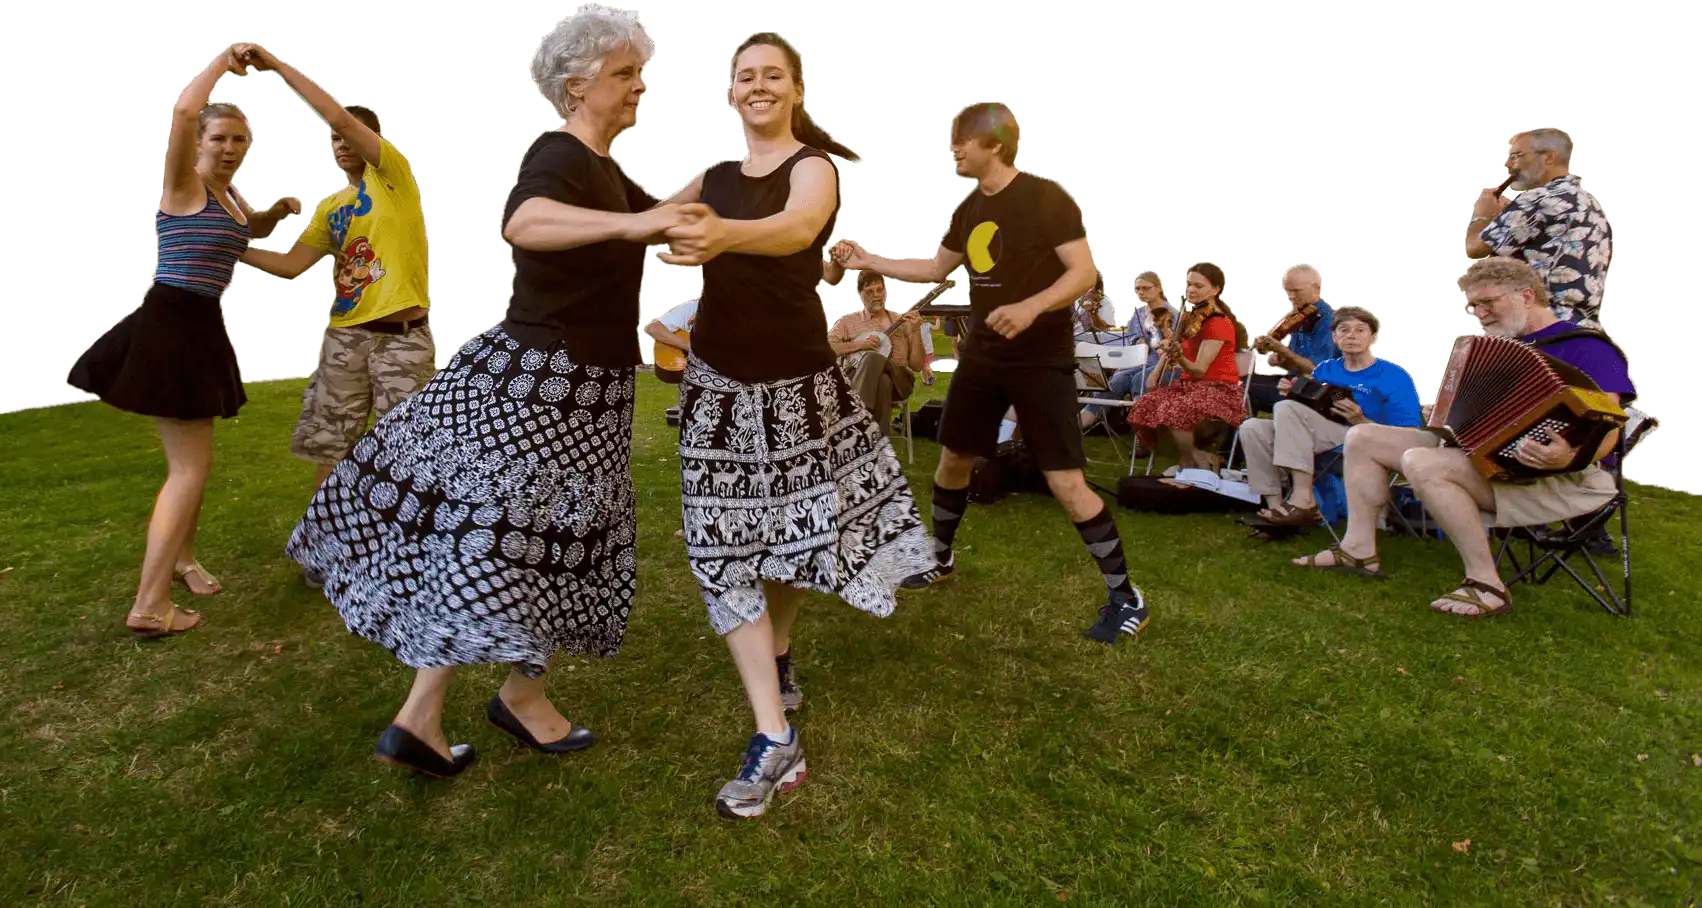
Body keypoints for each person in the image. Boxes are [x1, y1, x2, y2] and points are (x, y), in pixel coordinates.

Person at [286, 7, 695, 778]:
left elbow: (670, 222)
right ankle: (509, 701)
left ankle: (430, 714)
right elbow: (528, 222)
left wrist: (737, 186)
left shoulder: (608, 173)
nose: (639, 86)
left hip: (580, 387)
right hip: (551, 384)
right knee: (529, 544)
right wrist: (631, 227)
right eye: (623, 74)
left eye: (640, 73)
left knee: (518, 540)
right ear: (577, 85)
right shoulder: (561, 156)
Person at [652, 32, 934, 819]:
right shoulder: (710, 177)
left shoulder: (812, 169)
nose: (758, 87)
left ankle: (777, 651)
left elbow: (795, 227)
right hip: (717, 388)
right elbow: (651, 223)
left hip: (795, 388)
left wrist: (716, 233)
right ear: (730, 93)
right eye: (746, 78)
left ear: (796, 89)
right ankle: (775, 737)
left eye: (772, 75)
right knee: (721, 549)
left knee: (792, 542)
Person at [832, 101, 1149, 646]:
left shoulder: (1047, 197)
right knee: (954, 456)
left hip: (1040, 358)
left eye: (961, 141)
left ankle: (1125, 596)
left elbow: (1083, 272)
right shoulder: (970, 208)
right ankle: (940, 557)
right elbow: (936, 268)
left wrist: (1030, 308)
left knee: (1065, 481)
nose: (953, 150)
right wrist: (870, 261)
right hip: (983, 353)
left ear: (995, 145)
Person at [67, 45, 300, 638]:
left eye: (238, 140)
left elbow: (249, 242)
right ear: (198, 145)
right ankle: (149, 605)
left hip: (197, 325)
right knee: (188, 469)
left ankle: (184, 561)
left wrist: (281, 215)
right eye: (218, 137)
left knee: (195, 463)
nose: (228, 148)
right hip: (171, 325)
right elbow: (180, 114)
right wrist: (223, 60)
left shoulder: (229, 199)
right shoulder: (184, 185)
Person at [1293, 257, 1635, 618]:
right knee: (1363, 436)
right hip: (1483, 457)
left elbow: (1610, 428)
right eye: (1474, 305)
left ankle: (1487, 584)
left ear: (1526, 295)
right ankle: (1359, 549)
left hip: (1564, 475)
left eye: (1488, 302)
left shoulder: (1590, 347)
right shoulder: (1494, 345)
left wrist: (1568, 456)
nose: (1481, 313)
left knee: (1421, 461)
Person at [228, 44, 437, 590]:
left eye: (348, 135)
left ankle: (406, 556)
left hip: (402, 340)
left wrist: (275, 66)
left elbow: (338, 114)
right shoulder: (332, 207)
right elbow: (294, 264)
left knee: (406, 451)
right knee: (332, 444)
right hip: (347, 338)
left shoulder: (394, 178)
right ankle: (329, 549)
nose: (340, 141)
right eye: (335, 138)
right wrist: (231, 246)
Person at [1236, 306, 1421, 525]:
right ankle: (1276, 507)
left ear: (1372, 337)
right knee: (1253, 427)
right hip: (1318, 437)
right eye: (1344, 330)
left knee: (1287, 409)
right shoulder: (1325, 369)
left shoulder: (1393, 377)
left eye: (1360, 330)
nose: (1351, 335)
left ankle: (1303, 499)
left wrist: (1361, 421)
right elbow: (1308, 411)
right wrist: (1293, 392)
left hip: (1363, 440)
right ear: (1334, 337)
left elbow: (1410, 434)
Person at [1466, 128, 1611, 325]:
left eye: (1517, 156)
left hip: (1539, 325)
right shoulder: (1590, 204)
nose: (1510, 164)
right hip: (1580, 326)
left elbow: (1474, 248)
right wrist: (1506, 218)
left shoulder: (1537, 199)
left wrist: (1482, 215)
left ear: (1549, 157)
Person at [1123, 262, 1251, 471]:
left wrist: (1178, 356)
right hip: (1189, 386)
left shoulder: (1218, 322)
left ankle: (1187, 461)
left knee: (1176, 411)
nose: (1191, 290)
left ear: (1216, 289)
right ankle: (1198, 455)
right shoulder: (1191, 317)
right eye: (1189, 284)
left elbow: (1199, 370)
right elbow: (1175, 344)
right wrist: (1156, 372)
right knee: (1141, 408)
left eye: (1198, 286)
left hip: (1217, 389)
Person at [828, 271, 925, 435]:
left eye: (880, 290)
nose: (876, 295)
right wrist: (860, 345)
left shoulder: (902, 322)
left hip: (900, 381)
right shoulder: (848, 322)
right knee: (882, 381)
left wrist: (915, 332)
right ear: (860, 295)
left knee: (873, 358)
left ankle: (855, 417)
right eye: (869, 292)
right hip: (858, 378)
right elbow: (828, 348)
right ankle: (877, 442)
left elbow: (917, 365)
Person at [1080, 269, 1168, 432]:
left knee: (1138, 380)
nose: (1141, 292)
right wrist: (1138, 340)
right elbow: (1132, 337)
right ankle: (1073, 427)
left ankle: (1143, 435)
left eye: (1145, 288)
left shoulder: (1171, 313)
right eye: (1138, 289)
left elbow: (1171, 348)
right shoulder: (1139, 314)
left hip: (1158, 365)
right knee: (1113, 383)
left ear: (1157, 288)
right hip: (1135, 363)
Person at [1248, 264, 1338, 414]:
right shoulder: (1301, 316)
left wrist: (1282, 349)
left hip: (1316, 390)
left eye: (1296, 291)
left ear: (1316, 288)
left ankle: (1246, 434)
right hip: (1295, 381)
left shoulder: (1326, 320)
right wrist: (1280, 356)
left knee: (1247, 390)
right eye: (1287, 291)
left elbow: (1315, 369)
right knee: (1242, 381)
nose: (1290, 296)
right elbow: (1293, 366)